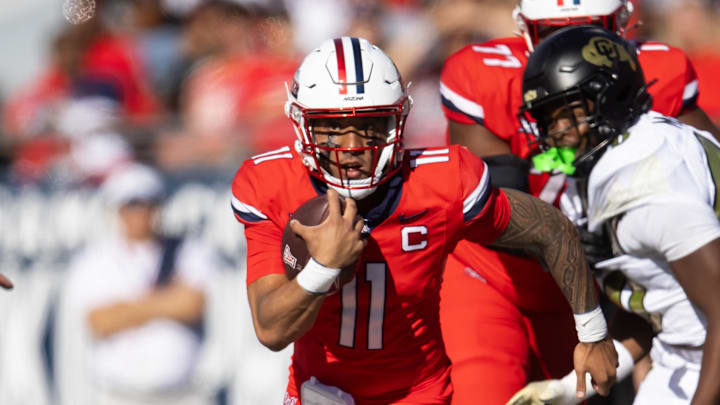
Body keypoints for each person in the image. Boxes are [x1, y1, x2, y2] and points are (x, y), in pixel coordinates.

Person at [230, 36, 618, 405]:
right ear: (303, 125)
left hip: (417, 393)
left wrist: (594, 333)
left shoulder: (443, 182)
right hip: (319, 391)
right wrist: (322, 267)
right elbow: (271, 329)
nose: (352, 148)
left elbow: (550, 228)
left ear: (397, 121)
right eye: (332, 128)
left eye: (369, 126)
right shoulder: (270, 186)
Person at [437, 1, 720, 403]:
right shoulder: (614, 164)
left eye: (593, 34)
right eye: (552, 34)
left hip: (618, 300)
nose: (571, 45)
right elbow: (493, 204)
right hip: (502, 274)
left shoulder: (651, 181)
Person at [56, 163, 217, 405]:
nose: (141, 212)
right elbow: (100, 321)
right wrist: (165, 300)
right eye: (133, 204)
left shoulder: (189, 249)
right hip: (121, 394)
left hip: (185, 393)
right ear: (117, 209)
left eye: (148, 203)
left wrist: (127, 309)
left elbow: (192, 304)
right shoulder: (95, 259)